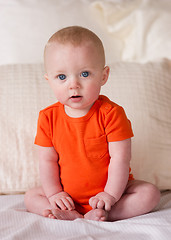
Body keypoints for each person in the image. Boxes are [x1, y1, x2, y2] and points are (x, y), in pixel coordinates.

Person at [24, 26, 160, 221]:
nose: (74, 84)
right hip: (67, 196)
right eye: (62, 77)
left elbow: (120, 159)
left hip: (112, 193)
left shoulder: (111, 114)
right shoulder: (48, 117)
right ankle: (70, 212)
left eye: (85, 74)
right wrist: (55, 194)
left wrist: (110, 195)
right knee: (31, 197)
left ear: (103, 76)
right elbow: (47, 161)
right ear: (49, 80)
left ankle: (105, 213)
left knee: (150, 194)